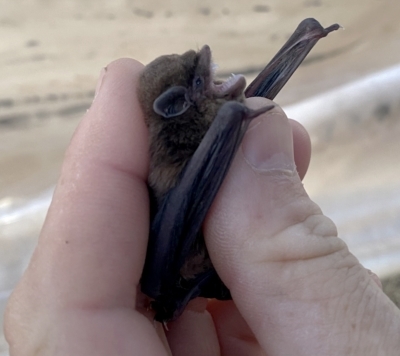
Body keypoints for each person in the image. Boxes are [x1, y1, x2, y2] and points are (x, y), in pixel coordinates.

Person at [4, 59, 400, 356]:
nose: (211, 82)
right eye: (200, 83)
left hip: (199, 248)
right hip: (187, 262)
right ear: (177, 105)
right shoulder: (196, 146)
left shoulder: (213, 132)